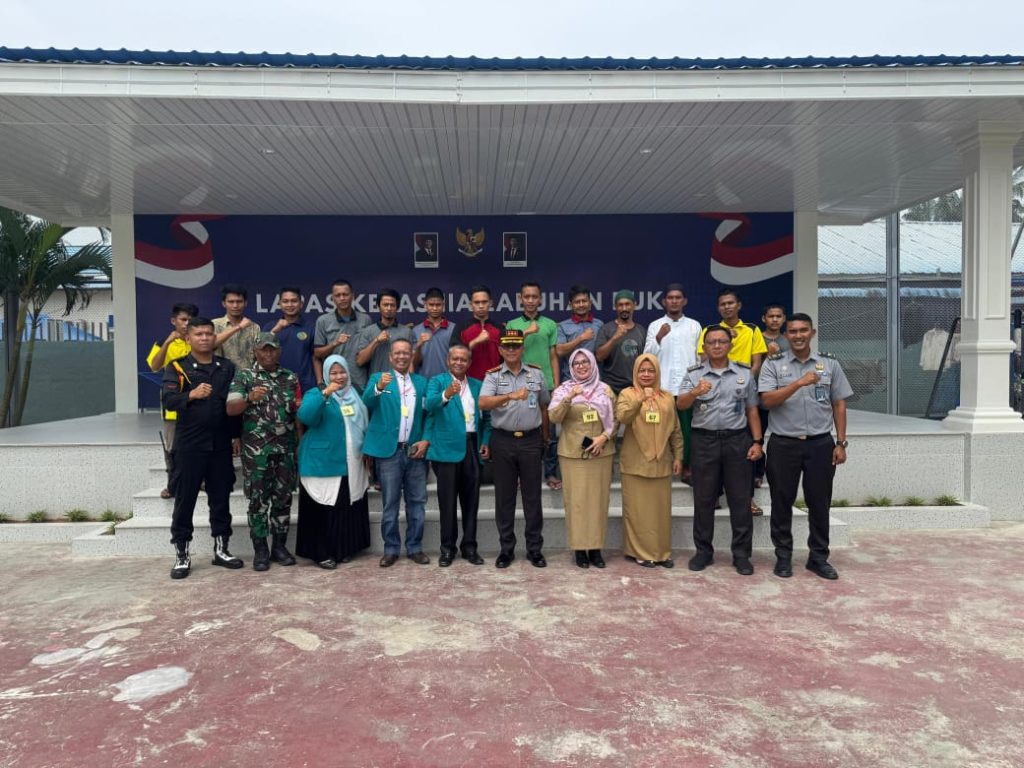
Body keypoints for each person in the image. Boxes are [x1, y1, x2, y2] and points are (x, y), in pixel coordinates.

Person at [758, 313, 852, 581]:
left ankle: (818, 558)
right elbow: (767, 401)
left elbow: (839, 403)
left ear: (812, 333)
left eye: (803, 330)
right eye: (793, 331)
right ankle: (783, 556)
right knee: (781, 502)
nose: (798, 336)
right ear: (786, 335)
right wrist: (798, 383)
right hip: (783, 444)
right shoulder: (773, 364)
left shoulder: (829, 364)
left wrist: (841, 442)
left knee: (819, 503)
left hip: (820, 444)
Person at [676, 326, 764, 576]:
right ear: (704, 347)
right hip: (704, 442)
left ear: (730, 345)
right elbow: (681, 404)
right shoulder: (694, 374)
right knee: (704, 499)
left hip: (737, 441)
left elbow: (752, 410)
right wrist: (695, 391)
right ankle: (703, 552)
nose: (716, 346)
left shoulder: (744, 373)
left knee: (740, 500)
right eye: (711, 342)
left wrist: (757, 442)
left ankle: (741, 555)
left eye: (721, 341)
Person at [162, 317, 242, 579]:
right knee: (185, 500)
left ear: (214, 337)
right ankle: (182, 555)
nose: (205, 338)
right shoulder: (178, 367)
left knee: (221, 499)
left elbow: (233, 405)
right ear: (188, 338)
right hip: (189, 445)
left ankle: (221, 550)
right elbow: (168, 400)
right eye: (199, 334)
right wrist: (191, 395)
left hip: (220, 445)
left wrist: (236, 436)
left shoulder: (226, 367)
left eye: (209, 334)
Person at [226, 332, 301, 571]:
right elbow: (231, 408)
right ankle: (260, 549)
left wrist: (300, 443)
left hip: (285, 449)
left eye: (272, 349)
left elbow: (297, 414)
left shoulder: (290, 377)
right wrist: (249, 398)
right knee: (258, 502)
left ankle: (279, 546)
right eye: (263, 349)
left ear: (279, 351)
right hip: (257, 452)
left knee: (283, 499)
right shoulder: (245, 376)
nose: (268, 353)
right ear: (255, 351)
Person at [479, 328, 550, 569]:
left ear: (522, 348)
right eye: (507, 346)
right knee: (504, 498)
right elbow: (483, 402)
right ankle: (506, 549)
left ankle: (534, 549)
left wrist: (545, 438)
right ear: (500, 350)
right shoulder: (493, 376)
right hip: (503, 441)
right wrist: (510, 396)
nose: (511, 350)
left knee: (532, 498)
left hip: (531, 440)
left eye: (516, 346)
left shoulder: (536, 373)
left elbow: (544, 406)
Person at [295, 354, 371, 569]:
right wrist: (325, 393)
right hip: (323, 462)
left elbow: (365, 423)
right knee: (323, 508)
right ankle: (321, 553)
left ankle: (344, 549)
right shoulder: (316, 393)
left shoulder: (355, 394)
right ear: (326, 375)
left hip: (351, 462)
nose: (339, 377)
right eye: (334, 373)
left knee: (346, 506)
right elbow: (306, 416)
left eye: (342, 371)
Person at [698, 288, 769, 515]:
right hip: (715, 395)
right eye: (723, 304)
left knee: (746, 449)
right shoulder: (710, 331)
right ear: (718, 307)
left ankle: (748, 499)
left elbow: (757, 361)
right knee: (715, 450)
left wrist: (743, 382)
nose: (727, 307)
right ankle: (715, 495)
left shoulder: (752, 330)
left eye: (730, 303)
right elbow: (703, 359)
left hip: (743, 394)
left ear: (738, 305)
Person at [362, 338, 430, 567]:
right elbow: (367, 402)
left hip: (415, 452)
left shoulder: (421, 382)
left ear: (411, 356)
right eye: (397, 353)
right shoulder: (378, 379)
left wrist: (426, 440)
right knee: (390, 504)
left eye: (406, 353)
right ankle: (391, 549)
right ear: (390, 357)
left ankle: (415, 547)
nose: (402, 356)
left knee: (417, 503)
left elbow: (429, 414)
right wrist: (379, 387)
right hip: (389, 452)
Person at [548, 349, 616, 569]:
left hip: (600, 453)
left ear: (593, 364)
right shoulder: (563, 390)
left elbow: (616, 420)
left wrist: (603, 437)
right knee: (576, 502)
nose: (581, 366)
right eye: (576, 363)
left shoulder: (605, 389)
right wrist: (569, 397)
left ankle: (595, 550)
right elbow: (554, 417)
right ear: (571, 367)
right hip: (572, 454)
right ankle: (579, 549)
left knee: (598, 502)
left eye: (585, 361)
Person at [424, 344, 491, 566]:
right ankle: (447, 549)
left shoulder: (478, 385)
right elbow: (430, 406)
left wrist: (485, 441)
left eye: (463, 359)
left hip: (472, 447)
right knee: (447, 503)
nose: (459, 362)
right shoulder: (437, 382)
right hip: (446, 450)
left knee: (471, 502)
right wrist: (446, 394)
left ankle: (470, 547)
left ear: (469, 363)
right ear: (448, 361)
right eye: (455, 359)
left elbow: (487, 418)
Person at [615, 354, 683, 567]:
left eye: (651, 370)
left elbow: (675, 429)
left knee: (660, 511)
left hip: (661, 462)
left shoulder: (667, 397)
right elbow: (622, 417)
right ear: (635, 372)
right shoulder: (627, 394)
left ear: (657, 373)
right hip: (635, 463)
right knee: (638, 512)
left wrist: (678, 456)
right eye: (642, 370)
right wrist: (640, 400)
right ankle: (640, 552)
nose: (646, 374)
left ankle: (661, 552)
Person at [644, 283, 701, 482]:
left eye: (678, 298)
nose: (674, 301)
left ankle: (686, 466)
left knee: (687, 429)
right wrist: (659, 337)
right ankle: (663, 464)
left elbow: (699, 357)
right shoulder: (655, 326)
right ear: (663, 302)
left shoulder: (694, 325)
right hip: (663, 386)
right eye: (670, 298)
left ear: (684, 301)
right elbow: (647, 357)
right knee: (661, 427)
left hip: (687, 388)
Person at [505, 282, 560, 485]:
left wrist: (556, 386)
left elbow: (554, 356)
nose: (530, 300)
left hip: (546, 385)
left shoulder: (550, 324)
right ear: (520, 299)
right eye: (526, 297)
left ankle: (550, 473)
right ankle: (522, 475)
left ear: (540, 299)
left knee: (549, 433)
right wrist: (527, 332)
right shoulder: (512, 325)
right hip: (521, 385)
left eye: (534, 297)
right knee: (522, 432)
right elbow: (509, 351)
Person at [553, 285, 603, 490]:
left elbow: (602, 353)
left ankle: (591, 468)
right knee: (573, 430)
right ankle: (573, 470)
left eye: (584, 301)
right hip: (571, 387)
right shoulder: (562, 327)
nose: (581, 304)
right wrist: (581, 339)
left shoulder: (599, 325)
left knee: (593, 427)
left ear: (590, 303)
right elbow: (559, 351)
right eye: (577, 302)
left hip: (594, 387)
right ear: (571, 305)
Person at [147, 302, 197, 500]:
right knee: (173, 447)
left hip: (198, 402)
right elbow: (154, 366)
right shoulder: (163, 342)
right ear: (173, 321)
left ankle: (200, 480)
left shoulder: (200, 340)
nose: (186, 324)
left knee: (198, 444)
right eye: (183, 320)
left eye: (190, 320)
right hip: (174, 404)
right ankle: (173, 485)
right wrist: (168, 342)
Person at [354, 288, 415, 393]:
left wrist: (410, 386)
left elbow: (411, 362)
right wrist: (376, 341)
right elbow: (360, 361)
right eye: (385, 305)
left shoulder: (407, 332)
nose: (389, 308)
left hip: (401, 388)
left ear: (397, 307)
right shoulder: (368, 331)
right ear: (378, 306)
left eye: (392, 305)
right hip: (377, 386)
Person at [754, 303, 789, 489]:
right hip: (759, 397)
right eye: (771, 316)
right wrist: (768, 355)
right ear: (764, 318)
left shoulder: (789, 341)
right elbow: (754, 369)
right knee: (757, 437)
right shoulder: (756, 338)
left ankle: (780, 472)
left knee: (780, 438)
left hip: (782, 398)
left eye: (778, 316)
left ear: (784, 319)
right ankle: (757, 472)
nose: (775, 319)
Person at [313, 278, 371, 388]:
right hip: (334, 382)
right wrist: (335, 343)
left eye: (345, 294)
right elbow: (317, 354)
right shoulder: (323, 321)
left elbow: (370, 354)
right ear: (332, 298)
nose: (342, 298)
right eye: (338, 295)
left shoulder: (365, 319)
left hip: (359, 381)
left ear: (352, 296)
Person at [264, 286, 316, 394]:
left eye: (294, 301)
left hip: (305, 386)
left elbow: (316, 357)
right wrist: (275, 330)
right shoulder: (270, 327)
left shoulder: (311, 327)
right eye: (285, 301)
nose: (290, 305)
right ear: (279, 304)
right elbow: (260, 353)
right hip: (275, 385)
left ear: (301, 304)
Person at [595, 289, 647, 396]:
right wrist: (614, 338)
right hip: (611, 389)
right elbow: (599, 357)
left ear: (634, 305)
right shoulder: (606, 329)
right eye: (620, 305)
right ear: (615, 307)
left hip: (635, 389)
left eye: (627, 304)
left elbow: (646, 361)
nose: (624, 308)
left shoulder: (641, 331)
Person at [450, 284, 502, 382]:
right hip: (468, 383)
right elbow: (453, 355)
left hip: (495, 383)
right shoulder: (461, 328)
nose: (481, 306)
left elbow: (506, 358)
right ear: (471, 304)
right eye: (477, 302)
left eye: (484, 302)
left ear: (490, 303)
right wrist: (475, 342)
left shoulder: (500, 329)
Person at [213, 283, 261, 372]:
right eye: (231, 302)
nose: (235, 305)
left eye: (239, 302)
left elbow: (259, 355)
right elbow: (210, 344)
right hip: (221, 376)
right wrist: (239, 327)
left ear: (245, 303)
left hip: (247, 376)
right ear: (224, 303)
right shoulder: (214, 324)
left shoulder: (254, 327)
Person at [412, 287, 455, 381]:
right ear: (425, 305)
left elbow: (458, 360)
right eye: (431, 305)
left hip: (448, 382)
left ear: (443, 305)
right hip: (424, 383)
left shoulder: (453, 329)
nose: (435, 308)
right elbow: (413, 364)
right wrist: (419, 346)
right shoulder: (416, 330)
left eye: (438, 305)